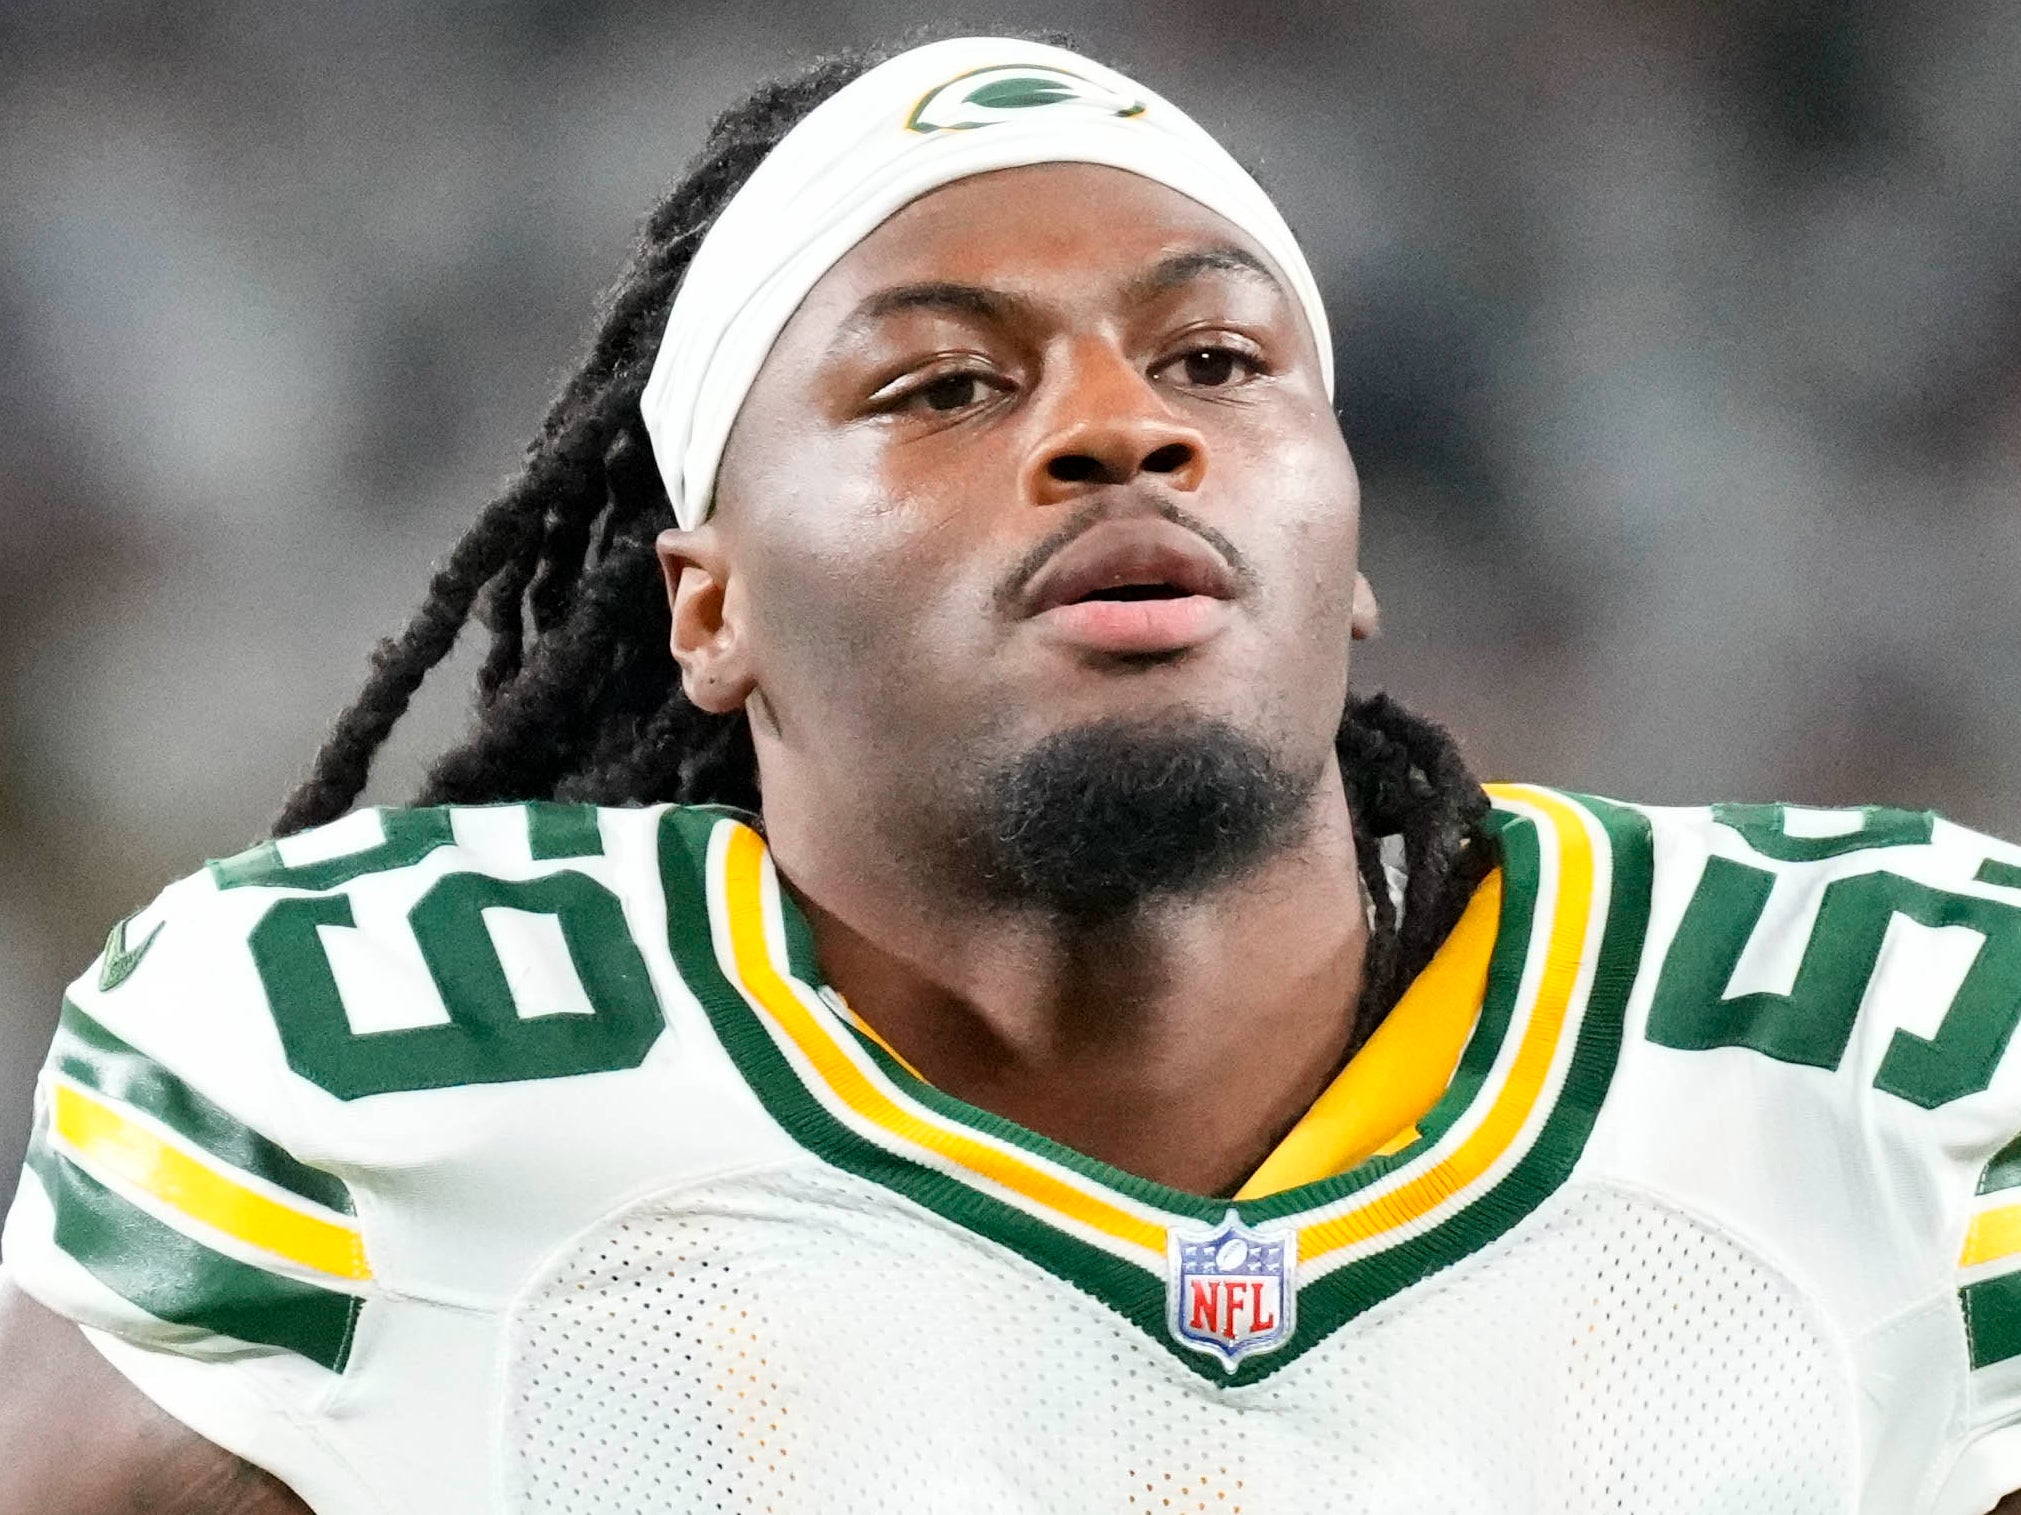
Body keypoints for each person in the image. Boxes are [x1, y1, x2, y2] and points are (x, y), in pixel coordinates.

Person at [0, 31, 2015, 1515]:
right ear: (707, 607)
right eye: (945, 382)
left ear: (1353, 535)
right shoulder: (368, 1077)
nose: (1123, 431)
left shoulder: (1892, 1048)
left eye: (1218, 365)